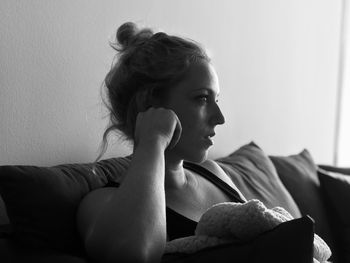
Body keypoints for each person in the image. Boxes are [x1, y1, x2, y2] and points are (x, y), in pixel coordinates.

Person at [77, 22, 246, 263]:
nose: (220, 118)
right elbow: (136, 255)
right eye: (202, 98)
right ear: (150, 105)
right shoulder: (99, 203)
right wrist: (153, 140)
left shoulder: (214, 173)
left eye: (216, 99)